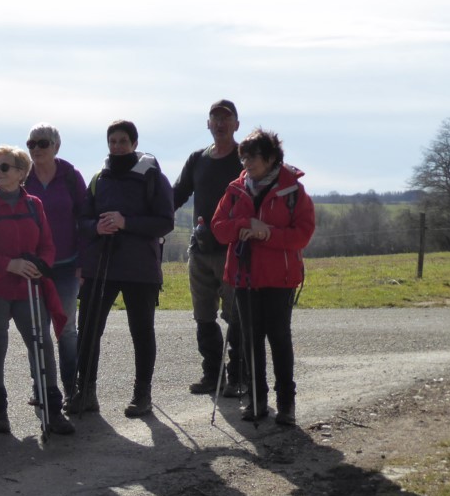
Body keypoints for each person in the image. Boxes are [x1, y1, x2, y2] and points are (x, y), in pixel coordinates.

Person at [0, 145, 74, 436]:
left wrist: (41, 266)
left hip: (28, 286)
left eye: (4, 167)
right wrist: (9, 265)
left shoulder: (34, 205)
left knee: (41, 344)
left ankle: (51, 408)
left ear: (22, 173)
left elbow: (47, 245)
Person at [211, 129, 315, 426]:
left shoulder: (293, 190)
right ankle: (256, 402)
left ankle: (286, 405)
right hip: (243, 276)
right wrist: (246, 223)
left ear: (270, 158)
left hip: (280, 278)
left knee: (279, 339)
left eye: (252, 156)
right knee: (250, 340)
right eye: (243, 156)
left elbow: (302, 235)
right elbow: (219, 228)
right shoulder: (235, 189)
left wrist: (265, 233)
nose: (246, 162)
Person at [73, 120, 174, 418]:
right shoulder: (98, 179)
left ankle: (142, 395)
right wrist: (97, 227)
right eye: (112, 141)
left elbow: (165, 221)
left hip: (140, 269)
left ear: (134, 142)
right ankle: (86, 392)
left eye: (122, 141)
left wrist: (126, 222)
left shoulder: (154, 177)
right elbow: (82, 221)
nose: (117, 146)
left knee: (141, 332)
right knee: (89, 331)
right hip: (100, 266)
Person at [172, 99, 246, 397]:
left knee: (236, 317)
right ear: (208, 124)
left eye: (226, 119)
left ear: (236, 125)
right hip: (201, 249)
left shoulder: (245, 160)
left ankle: (238, 376)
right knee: (204, 315)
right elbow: (176, 195)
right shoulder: (197, 160)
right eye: (215, 118)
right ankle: (211, 376)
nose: (220, 123)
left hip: (235, 252)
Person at [23, 123, 87, 407]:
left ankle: (73, 389)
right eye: (31, 143)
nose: (36, 149)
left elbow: (85, 221)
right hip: (34, 267)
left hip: (66, 265)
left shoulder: (70, 177)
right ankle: (43, 389)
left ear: (56, 147)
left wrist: (84, 262)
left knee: (66, 330)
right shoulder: (23, 177)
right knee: (37, 330)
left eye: (43, 143)